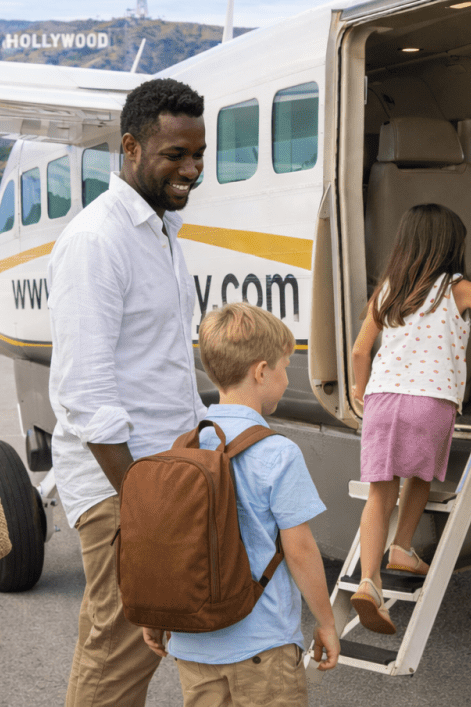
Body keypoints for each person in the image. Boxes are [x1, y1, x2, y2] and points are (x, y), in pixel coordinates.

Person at [47, 77, 209, 707]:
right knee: (119, 649)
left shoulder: (160, 233)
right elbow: (86, 393)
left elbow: (164, 365)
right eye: (175, 155)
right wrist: (142, 502)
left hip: (164, 472)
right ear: (132, 148)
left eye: (198, 155)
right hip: (123, 483)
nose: (191, 169)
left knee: (146, 645)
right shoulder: (97, 240)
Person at [141, 302, 340, 707]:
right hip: (262, 647)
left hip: (193, 647)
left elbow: (164, 545)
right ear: (261, 371)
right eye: (285, 366)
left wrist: (156, 615)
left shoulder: (186, 447)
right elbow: (299, 550)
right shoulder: (278, 453)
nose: (286, 378)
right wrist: (327, 622)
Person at [348, 203, 471, 633]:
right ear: (452, 247)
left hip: (381, 401)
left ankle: (369, 581)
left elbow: (360, 351)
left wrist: (359, 392)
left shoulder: (388, 289)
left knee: (379, 494)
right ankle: (403, 547)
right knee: (420, 476)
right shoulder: (459, 289)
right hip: (429, 402)